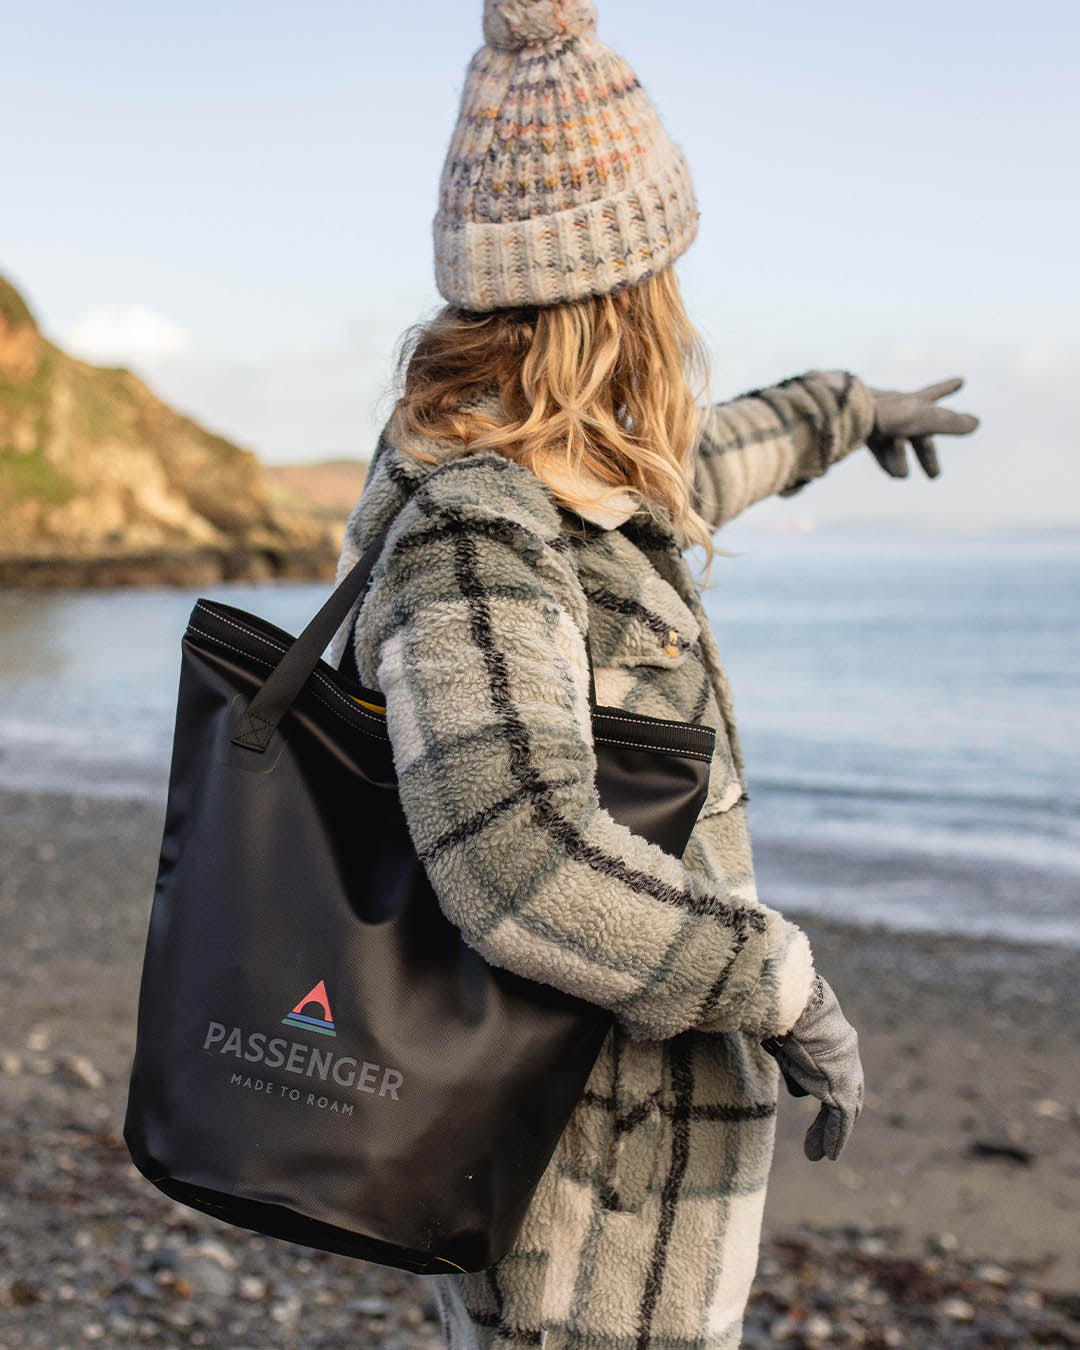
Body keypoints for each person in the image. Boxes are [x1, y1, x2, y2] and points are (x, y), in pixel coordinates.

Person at [327, 2, 979, 1345]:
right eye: (662, 267)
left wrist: (848, 409)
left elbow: (702, 464)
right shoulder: (475, 531)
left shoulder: (573, 496)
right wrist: (781, 982)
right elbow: (518, 854)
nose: (677, 305)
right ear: (609, 289)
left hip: (642, 1215)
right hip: (581, 1241)